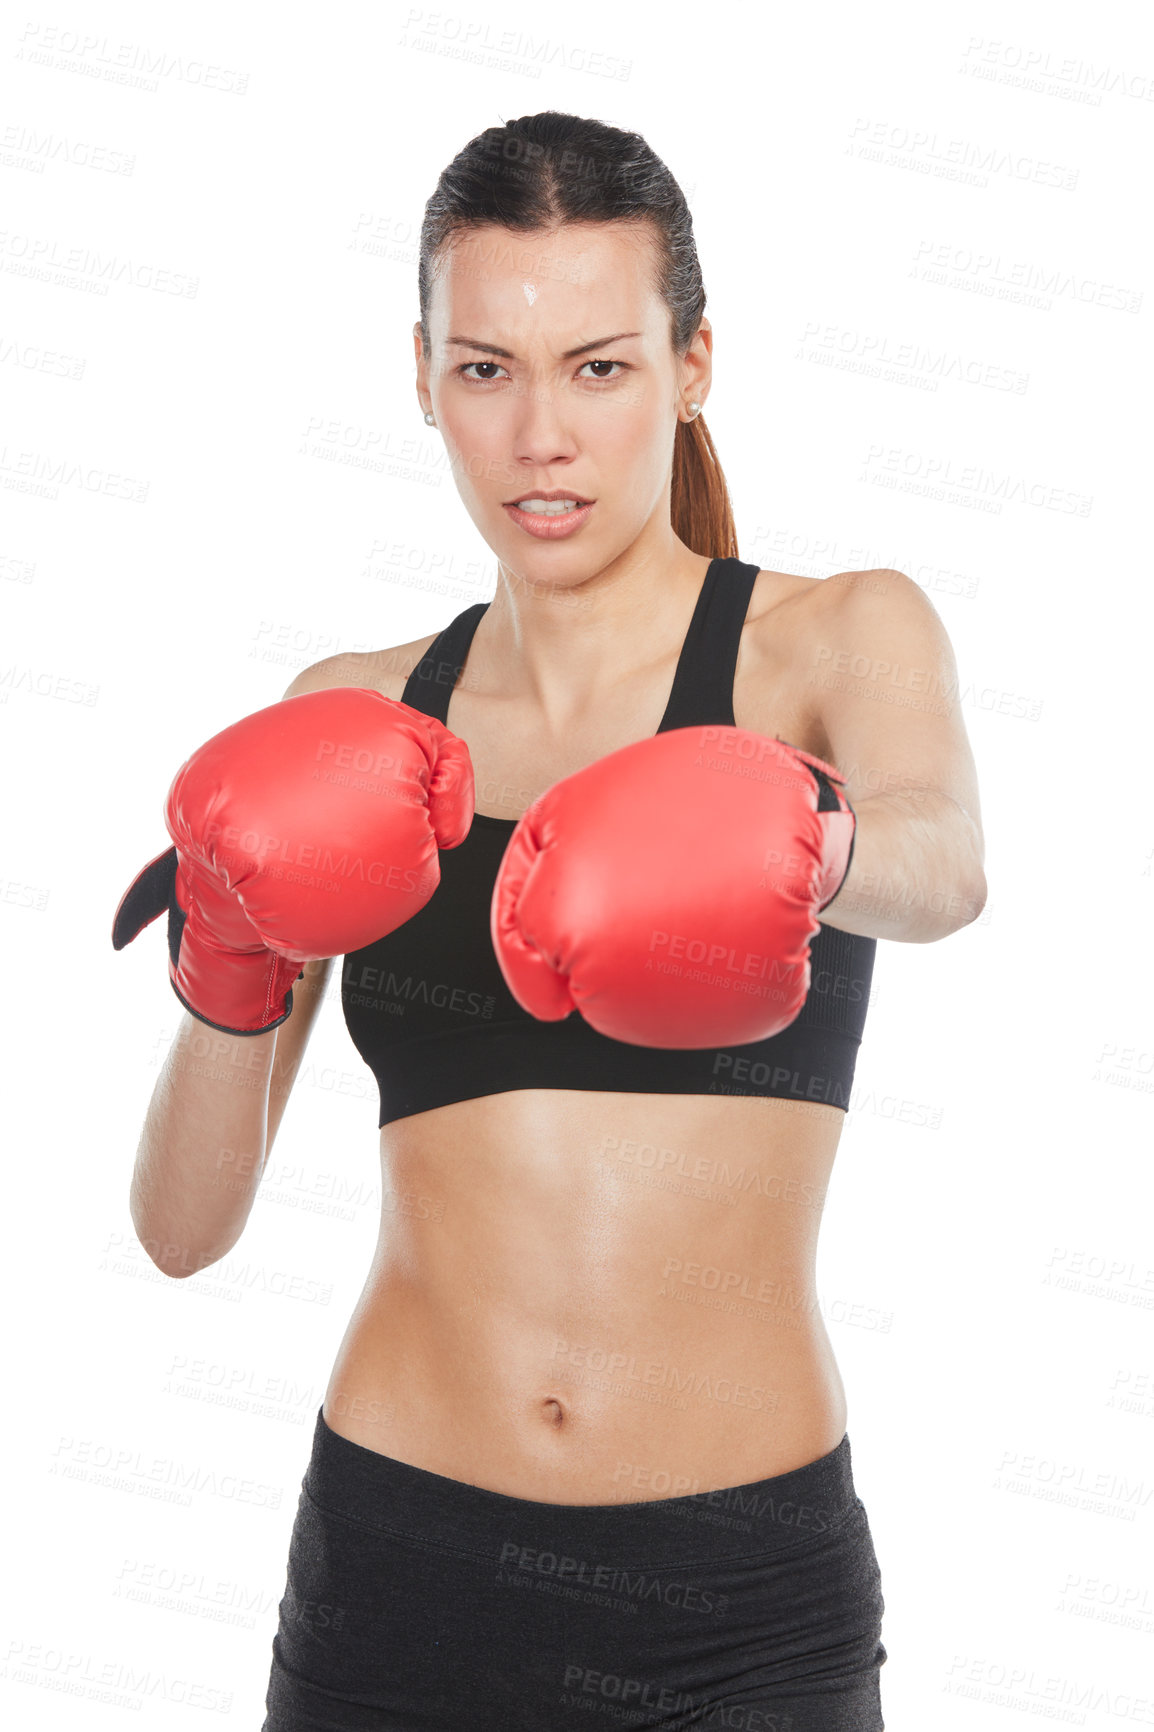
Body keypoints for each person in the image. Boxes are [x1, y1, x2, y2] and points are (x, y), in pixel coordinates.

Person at [114, 111, 986, 1731]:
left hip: (741, 1596)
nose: (539, 440)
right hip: (393, 1572)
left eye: (597, 367)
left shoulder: (830, 639)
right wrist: (224, 955)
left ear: (693, 362)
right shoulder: (358, 710)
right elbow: (180, 1232)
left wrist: (800, 828)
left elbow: (944, 869)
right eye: (482, 371)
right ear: (424, 378)